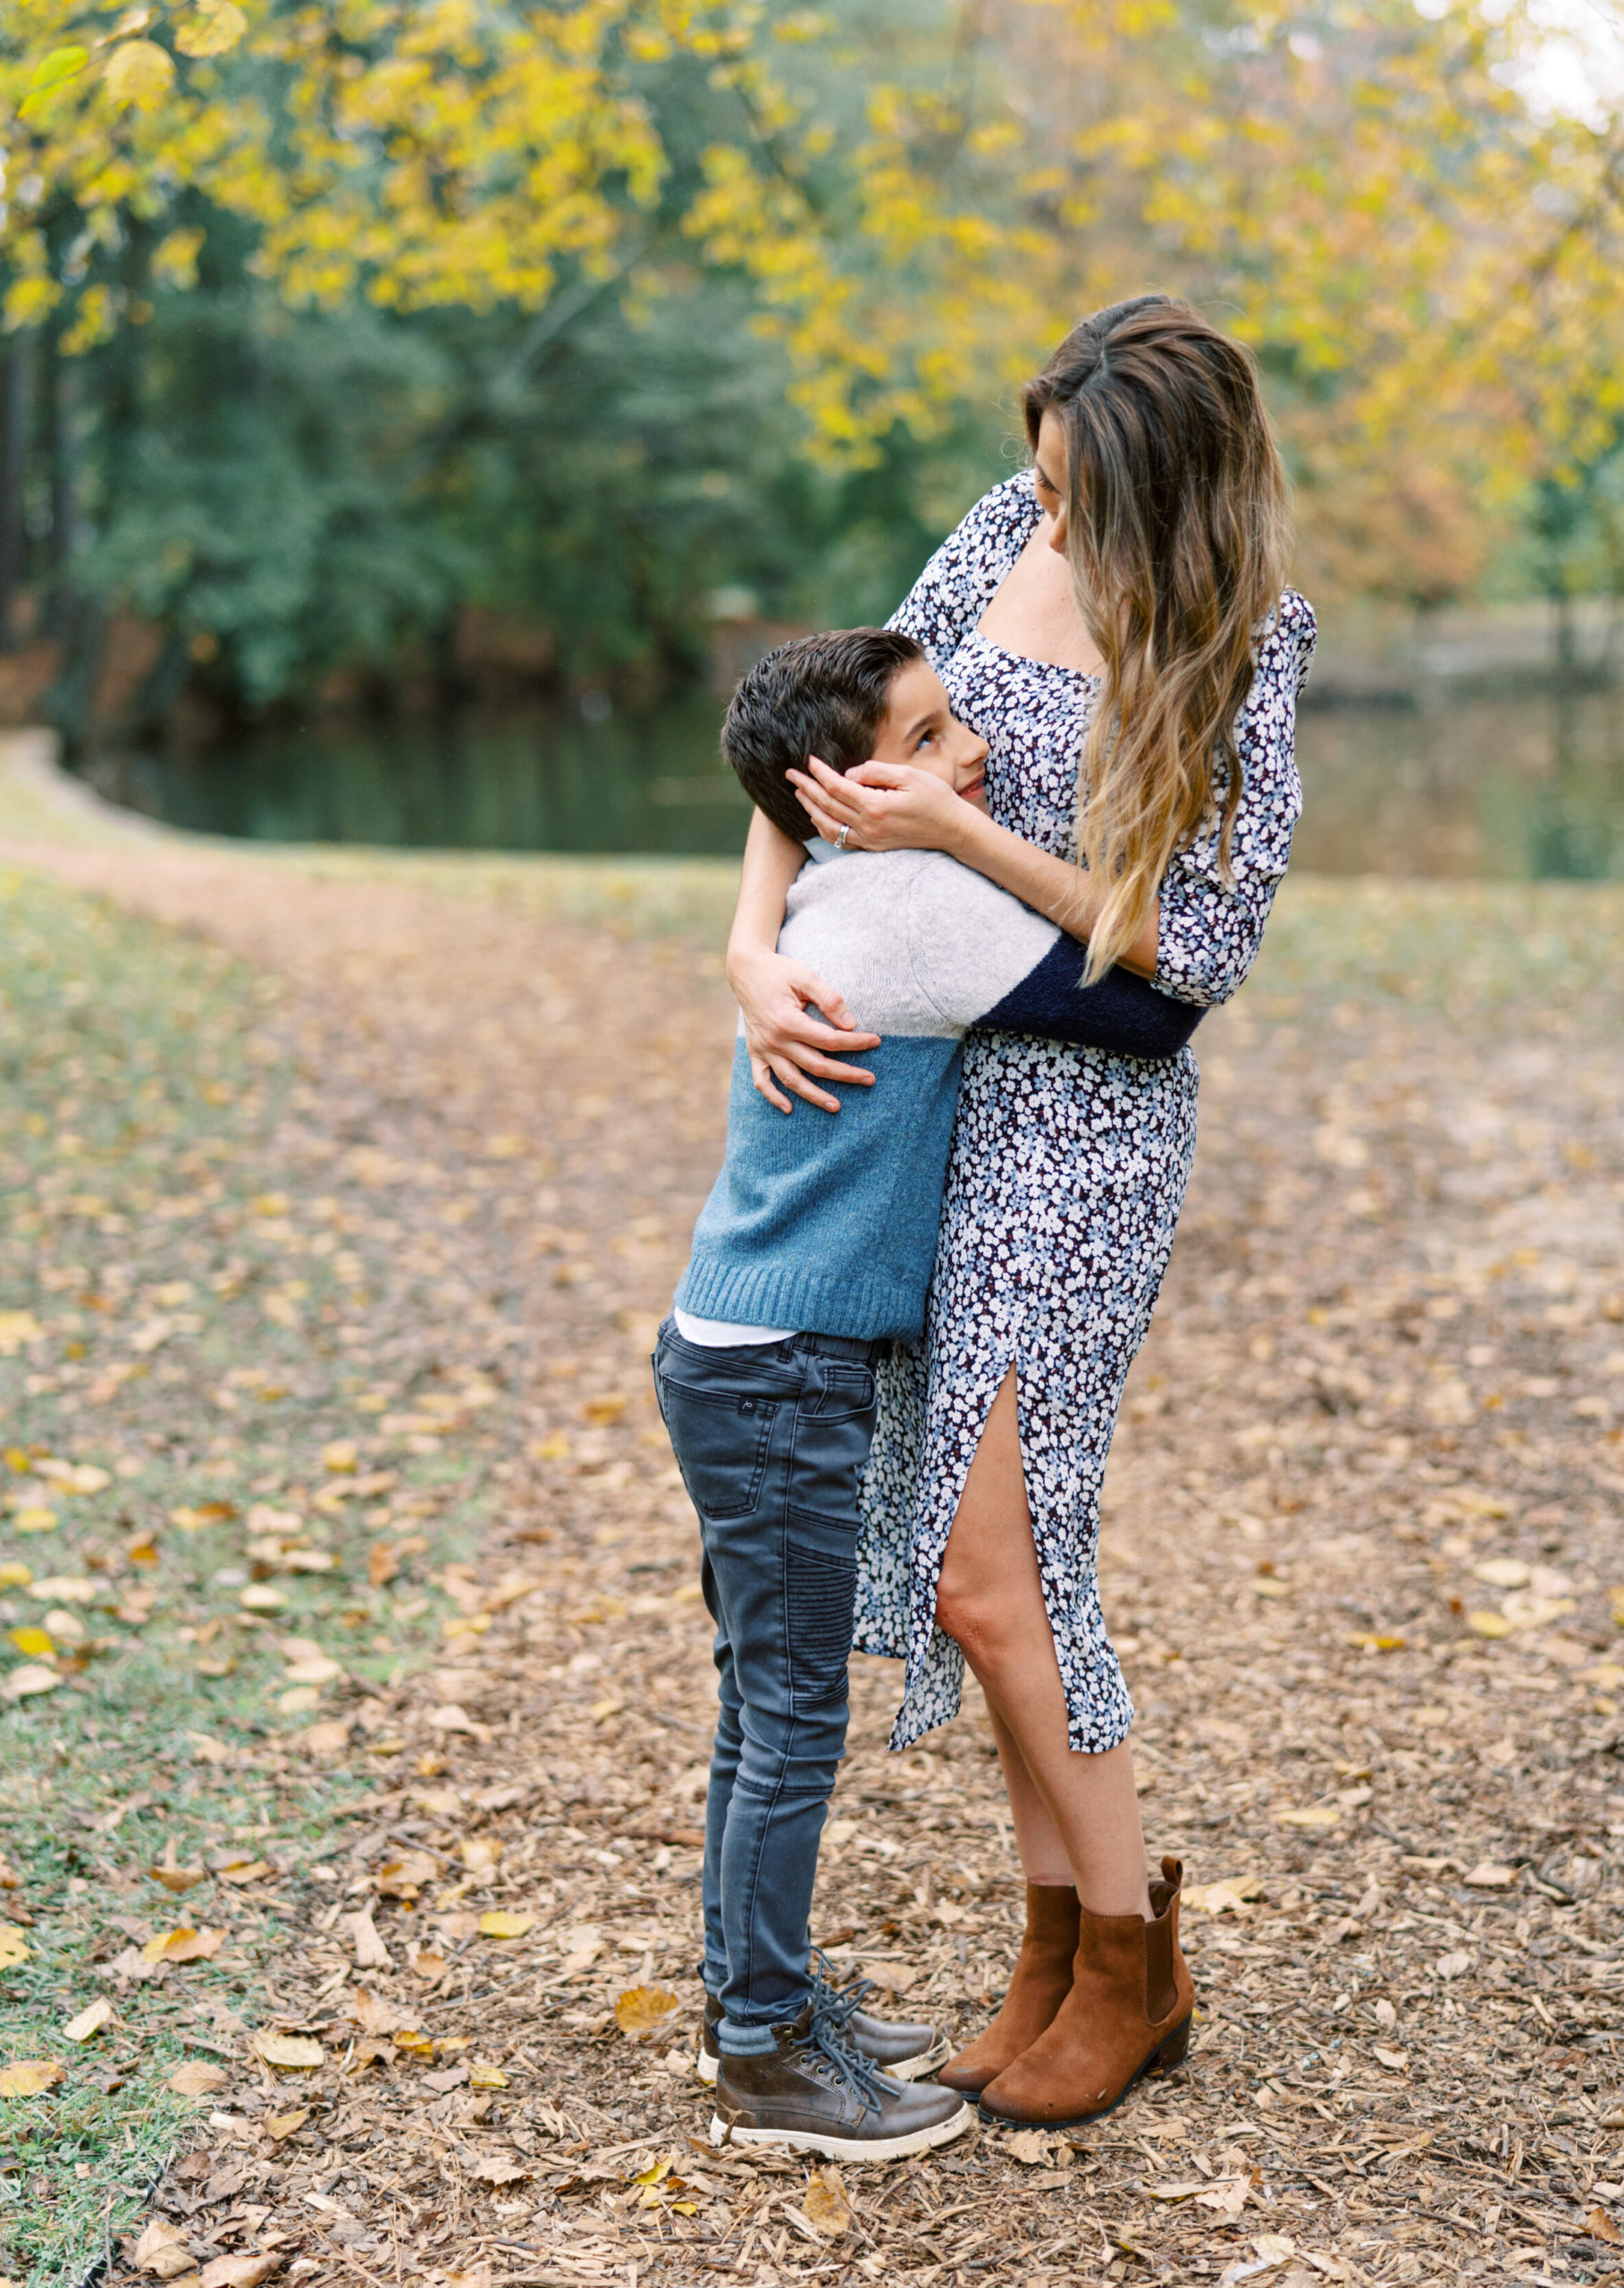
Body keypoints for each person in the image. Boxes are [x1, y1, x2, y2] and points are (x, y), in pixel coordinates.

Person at [725, 296, 1317, 2128]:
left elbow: (1188, 957)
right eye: (1040, 479)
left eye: (1077, 496)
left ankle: (1133, 1960)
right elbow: (828, 744)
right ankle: (1054, 1942)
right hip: (939, 1106)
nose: (1041, 522)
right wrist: (750, 948)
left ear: (1168, 499)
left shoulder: (1243, 651)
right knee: (987, 1574)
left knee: (999, 1566)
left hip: (1085, 1125)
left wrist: (965, 841)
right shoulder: (999, 522)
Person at [655, 625, 1206, 2159]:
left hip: (740, 1355)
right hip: (782, 1376)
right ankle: (761, 2044)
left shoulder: (834, 891)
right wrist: (977, 837)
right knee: (787, 1718)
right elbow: (1148, 1005)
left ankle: (760, 1996)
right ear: (850, 786)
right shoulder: (912, 905)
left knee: (762, 1707)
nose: (976, 750)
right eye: (936, 731)